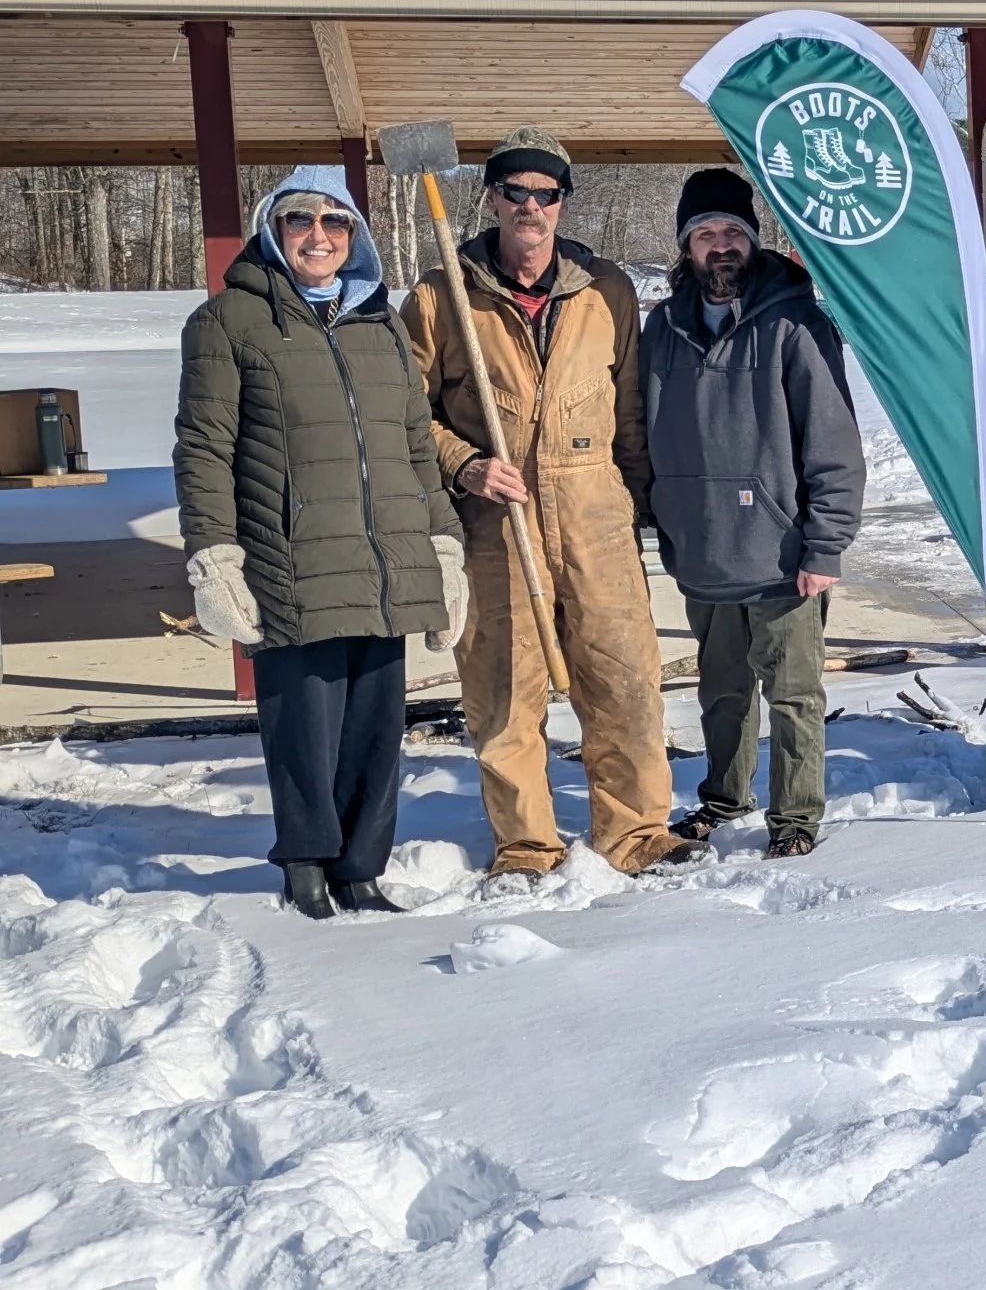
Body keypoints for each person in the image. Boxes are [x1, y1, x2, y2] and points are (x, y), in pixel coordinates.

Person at [401, 127, 696, 882]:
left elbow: (630, 407)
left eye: (546, 193)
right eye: (515, 191)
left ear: (563, 203)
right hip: (497, 522)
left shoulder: (607, 291)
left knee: (625, 680)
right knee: (502, 694)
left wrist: (632, 504)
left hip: (594, 507)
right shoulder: (442, 297)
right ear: (492, 198)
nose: (531, 206)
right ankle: (528, 844)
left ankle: (635, 832)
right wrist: (464, 465)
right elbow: (405, 412)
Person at [174, 166, 465, 918]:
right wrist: (214, 558)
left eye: (336, 224)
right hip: (291, 556)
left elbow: (412, 444)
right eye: (302, 220)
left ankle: (361, 867)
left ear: (354, 239)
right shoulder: (229, 322)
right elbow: (204, 448)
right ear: (274, 229)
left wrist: (442, 544)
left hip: (384, 557)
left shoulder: (382, 325)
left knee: (376, 725)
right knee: (305, 725)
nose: (319, 236)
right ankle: (305, 863)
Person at [642, 170, 865, 860]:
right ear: (686, 247)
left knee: (794, 692)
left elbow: (833, 441)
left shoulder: (795, 321)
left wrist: (824, 546)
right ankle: (724, 795)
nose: (720, 246)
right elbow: (641, 432)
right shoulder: (662, 328)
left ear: (753, 239)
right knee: (722, 691)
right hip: (705, 551)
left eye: (732, 232)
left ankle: (795, 814)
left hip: (781, 555)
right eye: (705, 234)